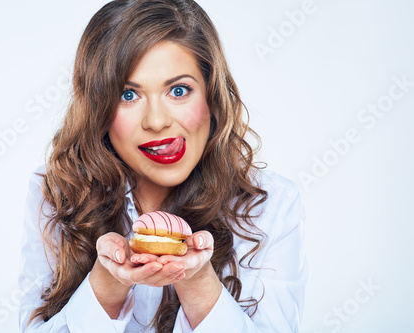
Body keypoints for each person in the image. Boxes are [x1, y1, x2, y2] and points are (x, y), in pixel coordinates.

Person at [18, 0, 308, 332]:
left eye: (179, 90)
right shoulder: (57, 192)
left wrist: (198, 284)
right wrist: (106, 284)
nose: (156, 122)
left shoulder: (272, 204)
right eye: (128, 95)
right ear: (97, 108)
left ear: (212, 96)